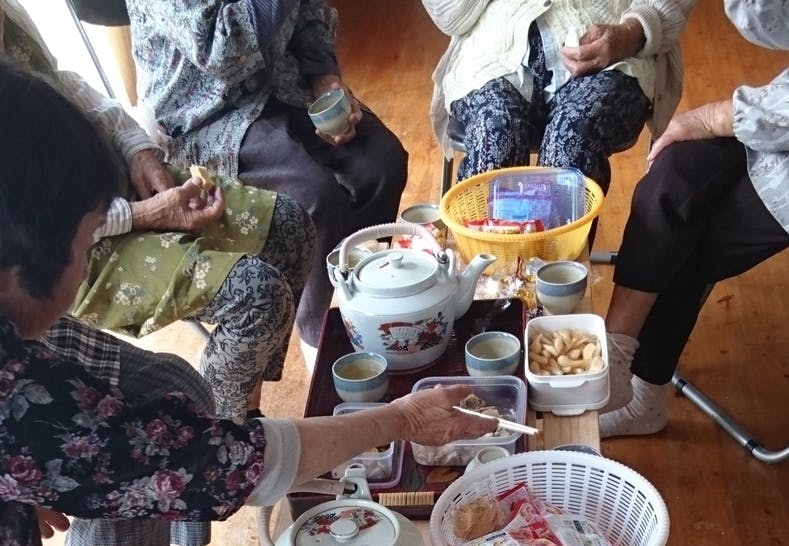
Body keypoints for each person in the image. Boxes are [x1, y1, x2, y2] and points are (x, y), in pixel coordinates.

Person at [0, 59, 496, 545]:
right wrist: (404, 419)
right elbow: (222, 463)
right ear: (23, 255)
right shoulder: (21, 406)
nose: (86, 263)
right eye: (87, 239)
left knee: (172, 383)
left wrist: (31, 477)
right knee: (155, 456)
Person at [1, 0, 315, 425]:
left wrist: (138, 150)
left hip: (107, 190)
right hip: (68, 246)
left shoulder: (10, 14)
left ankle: (242, 410)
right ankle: (227, 429)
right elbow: (39, 228)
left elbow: (68, 84)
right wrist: (143, 214)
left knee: (290, 226)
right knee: (258, 294)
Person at [125, 0, 410, 359]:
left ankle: (363, 295)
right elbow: (223, 50)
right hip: (206, 117)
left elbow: (308, 10)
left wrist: (324, 76)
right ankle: (323, 342)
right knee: (315, 197)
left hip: (284, 85)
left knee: (382, 164)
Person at [599, 0, 788, 438]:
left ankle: (641, 398)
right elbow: (769, 23)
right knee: (673, 174)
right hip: (775, 119)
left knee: (685, 244)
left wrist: (713, 117)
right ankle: (612, 357)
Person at [422, 0, 695, 194]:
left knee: (576, 133)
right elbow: (448, 15)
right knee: (495, 130)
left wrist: (629, 34)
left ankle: (554, 258)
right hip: (495, 54)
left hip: (611, 48)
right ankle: (485, 258)